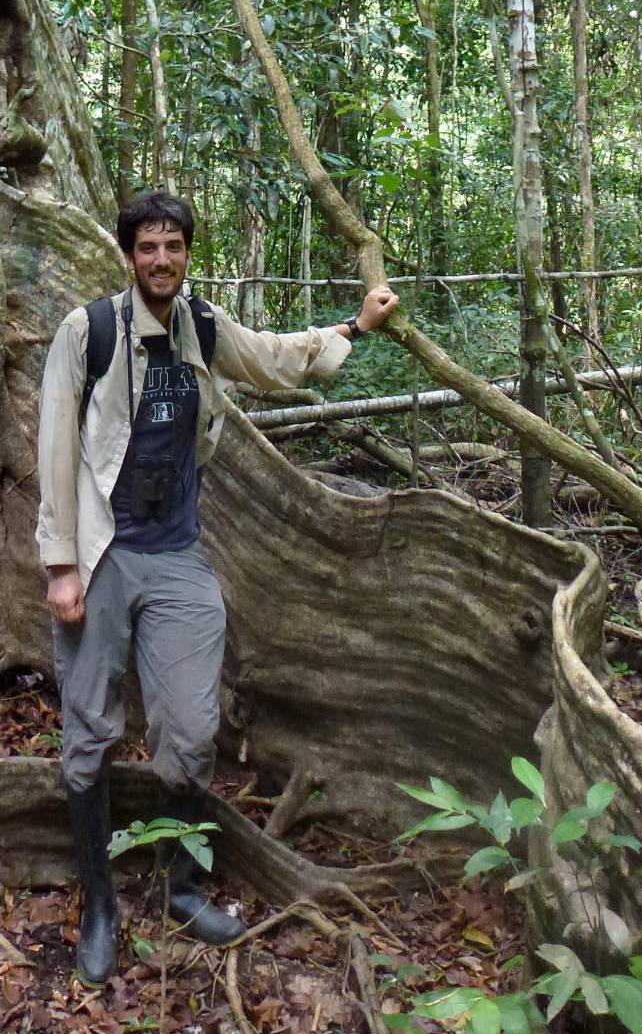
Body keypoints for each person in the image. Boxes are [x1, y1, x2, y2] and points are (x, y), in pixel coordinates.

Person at [35, 189, 400, 985]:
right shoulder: (89, 332)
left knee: (192, 731)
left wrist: (351, 328)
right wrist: (60, 561)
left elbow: (269, 358)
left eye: (173, 246)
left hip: (178, 558)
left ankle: (181, 886)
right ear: (128, 254)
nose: (161, 260)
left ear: (187, 253)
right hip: (100, 554)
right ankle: (99, 905)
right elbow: (56, 446)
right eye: (148, 247)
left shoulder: (201, 325)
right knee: (88, 732)